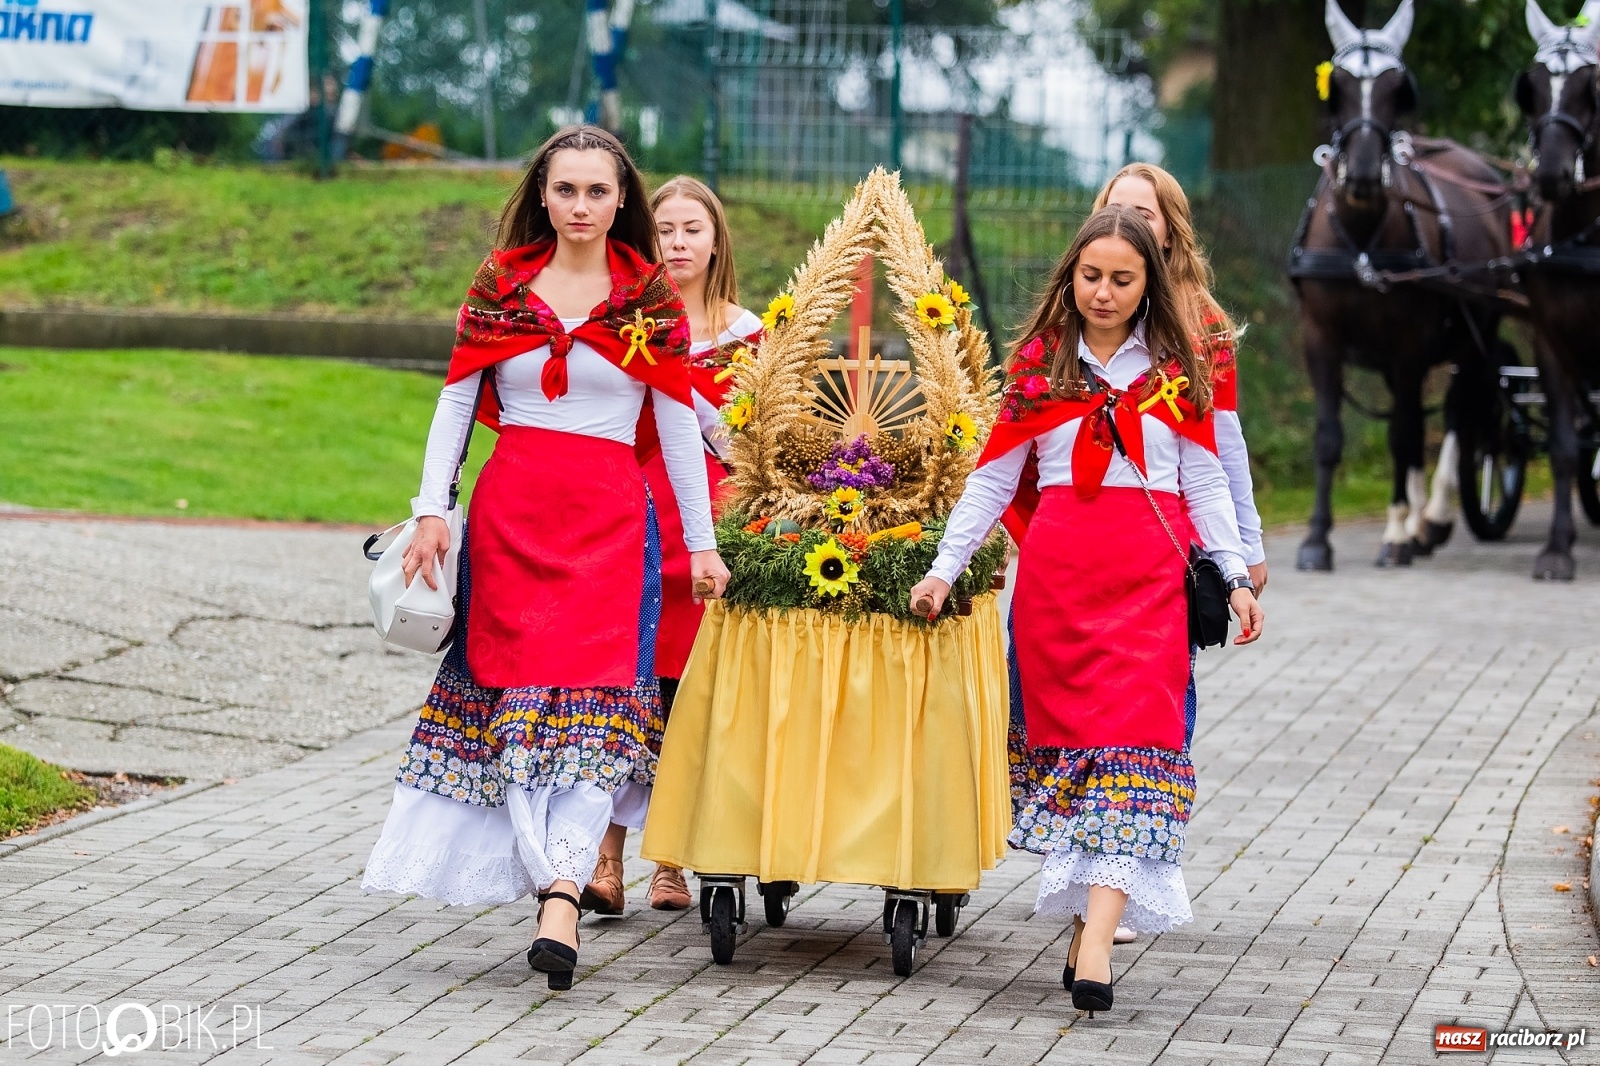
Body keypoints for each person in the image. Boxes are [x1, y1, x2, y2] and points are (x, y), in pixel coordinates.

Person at [361, 126, 730, 992]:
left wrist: (704, 547)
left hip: (609, 526)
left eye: (597, 192)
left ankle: (562, 891)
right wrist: (429, 512)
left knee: (595, 711)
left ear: (619, 201)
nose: (580, 207)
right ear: (541, 195)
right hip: (511, 517)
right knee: (517, 707)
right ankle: (552, 877)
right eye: (565, 190)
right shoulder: (501, 285)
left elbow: (678, 427)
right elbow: (455, 403)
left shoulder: (648, 299)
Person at [909, 205, 1264, 1018]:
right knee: (1078, 772)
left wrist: (1236, 574)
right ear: (1071, 276)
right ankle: (1085, 927)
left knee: (1138, 760)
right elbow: (994, 481)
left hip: (1148, 587)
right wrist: (942, 570)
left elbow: (1205, 481)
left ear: (1149, 288)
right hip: (1058, 588)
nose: (1104, 292)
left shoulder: (1178, 369)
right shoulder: (1040, 367)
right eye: (1091, 276)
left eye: (1123, 280)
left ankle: (1098, 943)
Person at [1094, 162, 1268, 945]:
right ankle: (1100, 855)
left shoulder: (1202, 324)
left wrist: (1247, 546)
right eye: (1116, 208)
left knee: (1160, 701)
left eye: (1147, 212)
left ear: (1170, 227)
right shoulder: (1083, 314)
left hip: (1175, 542)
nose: (1132, 220)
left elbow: (1219, 446)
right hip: (1088, 547)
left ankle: (1133, 856)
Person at [581, 175, 762, 915]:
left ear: (717, 240)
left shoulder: (748, 334)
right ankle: (604, 857)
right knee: (630, 681)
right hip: (631, 516)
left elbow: (757, 439)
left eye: (693, 229)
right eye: (665, 230)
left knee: (693, 693)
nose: (679, 243)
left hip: (711, 528)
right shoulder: (624, 321)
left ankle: (673, 861)